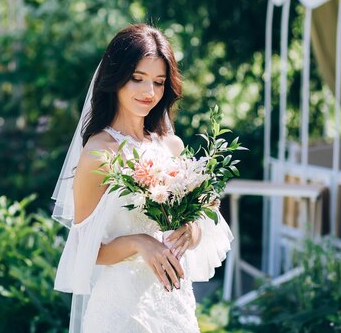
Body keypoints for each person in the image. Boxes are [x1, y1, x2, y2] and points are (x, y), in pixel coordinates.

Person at [52, 24, 233, 333]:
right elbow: (86, 251)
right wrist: (140, 243)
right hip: (120, 309)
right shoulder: (98, 154)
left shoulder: (171, 146)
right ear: (116, 77)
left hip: (173, 302)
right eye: (138, 79)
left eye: (159, 82)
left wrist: (192, 230)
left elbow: (199, 225)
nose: (149, 92)